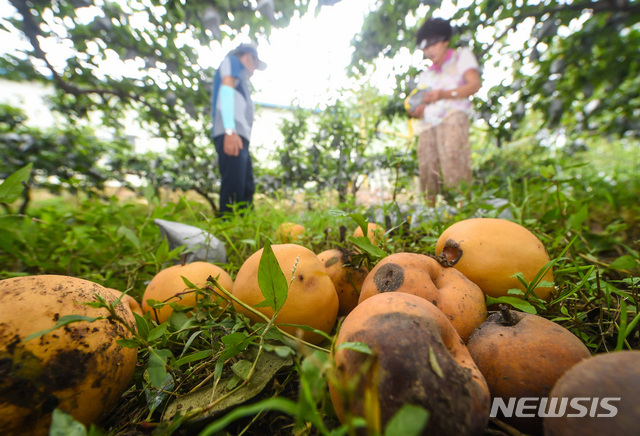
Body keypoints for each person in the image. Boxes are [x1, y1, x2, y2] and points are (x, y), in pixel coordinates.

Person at [405, 17, 481, 206]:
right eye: (424, 46)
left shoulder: (461, 57)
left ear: (445, 40)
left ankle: (464, 210)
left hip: (452, 117)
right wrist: (418, 109)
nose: (428, 50)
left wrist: (443, 94)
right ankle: (430, 215)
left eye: (432, 43)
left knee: (455, 164)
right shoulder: (426, 74)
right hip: (428, 125)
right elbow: (420, 101)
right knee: (427, 169)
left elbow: (474, 85)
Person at [211, 43, 266, 215]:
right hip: (231, 133)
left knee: (246, 186)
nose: (254, 71)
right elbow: (226, 92)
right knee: (233, 187)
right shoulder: (232, 61)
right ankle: (227, 230)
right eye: (255, 66)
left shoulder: (241, 80)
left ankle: (243, 230)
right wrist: (229, 131)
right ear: (248, 57)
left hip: (239, 136)